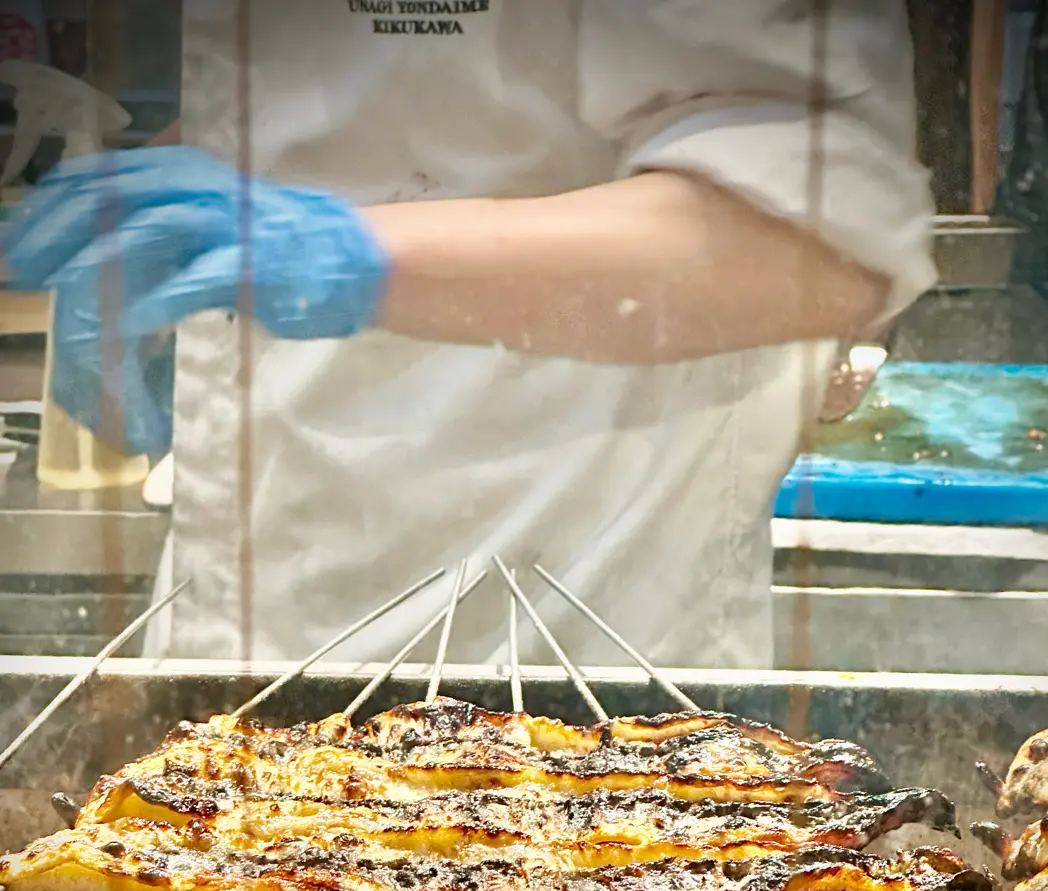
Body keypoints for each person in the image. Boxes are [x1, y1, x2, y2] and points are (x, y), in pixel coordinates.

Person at [4, 0, 935, 667]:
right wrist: (180, 208)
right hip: (251, 599)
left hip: (566, 628)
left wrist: (332, 251)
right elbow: (398, 99)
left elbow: (819, 240)